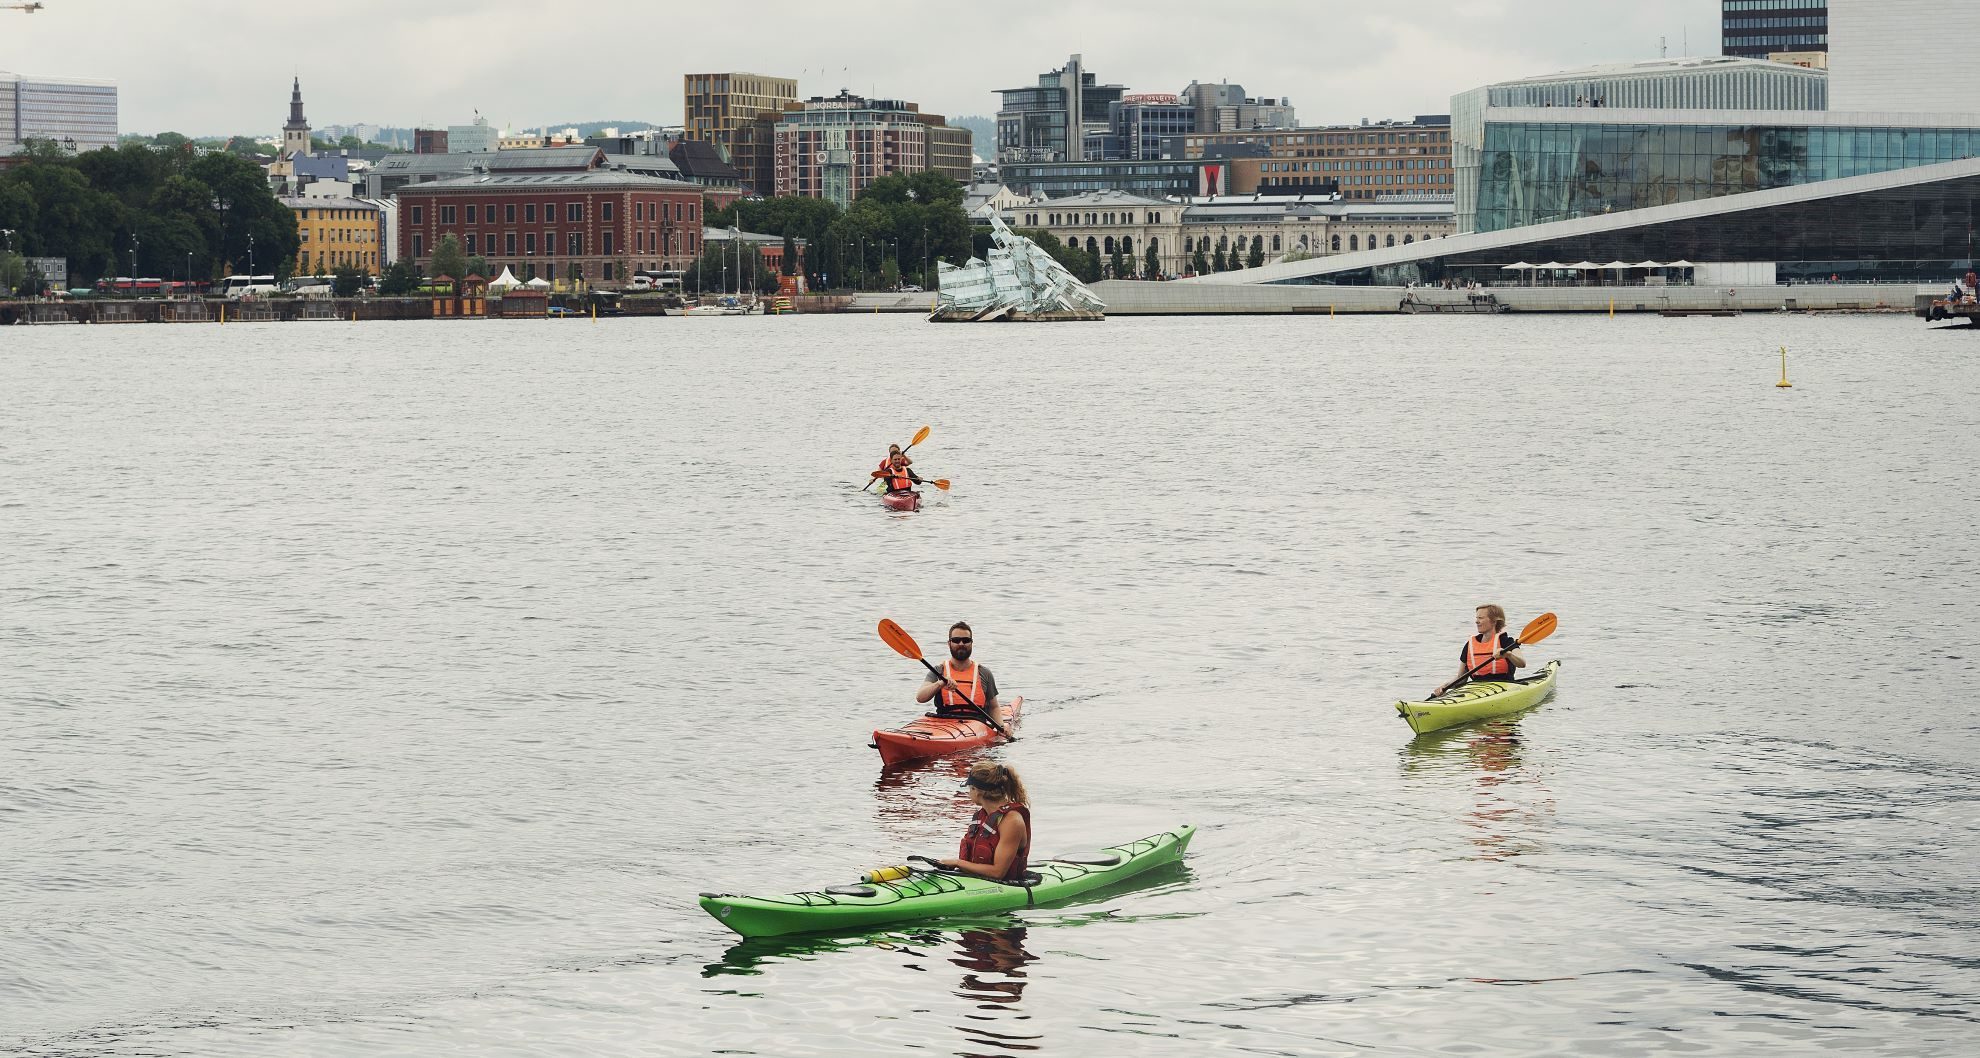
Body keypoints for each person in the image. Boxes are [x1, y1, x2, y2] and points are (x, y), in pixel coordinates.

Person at [939, 761, 1031, 882]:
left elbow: (998, 873)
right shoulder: (982, 816)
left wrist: (957, 863)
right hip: (975, 881)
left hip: (1005, 886)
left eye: (969, 788)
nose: (969, 793)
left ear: (977, 791)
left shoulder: (1012, 821)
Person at [1435, 604, 1527, 696]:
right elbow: (1461, 677)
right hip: (1476, 690)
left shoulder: (1506, 641)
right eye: (1476, 618)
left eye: (1481, 618)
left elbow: (1522, 663)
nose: (1477, 621)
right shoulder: (1470, 645)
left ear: (1494, 621)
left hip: (1504, 687)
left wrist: (1508, 654)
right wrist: (1445, 686)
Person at [915, 621, 999, 719]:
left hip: (977, 725)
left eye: (966, 640)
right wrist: (941, 683)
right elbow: (920, 697)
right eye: (956, 640)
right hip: (945, 723)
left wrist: (1001, 726)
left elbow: (994, 707)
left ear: (971, 643)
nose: (961, 643)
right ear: (949, 643)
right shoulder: (938, 671)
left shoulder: (984, 673)